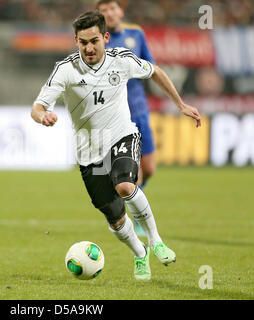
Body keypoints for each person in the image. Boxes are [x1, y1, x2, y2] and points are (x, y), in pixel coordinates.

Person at [30, 11, 201, 280]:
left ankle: (155, 239)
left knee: (125, 185)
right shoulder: (65, 70)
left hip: (122, 136)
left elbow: (155, 71)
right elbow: (37, 107)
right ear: (76, 41)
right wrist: (44, 116)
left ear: (105, 38)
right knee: (116, 219)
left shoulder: (122, 60)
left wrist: (180, 104)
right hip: (89, 153)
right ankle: (140, 253)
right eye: (83, 42)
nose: (88, 47)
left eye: (94, 41)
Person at [97, 0, 157, 237]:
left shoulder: (137, 34)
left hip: (140, 110)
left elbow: (151, 67)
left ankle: (130, 202)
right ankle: (136, 217)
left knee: (149, 168)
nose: (109, 13)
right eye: (103, 11)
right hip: (120, 117)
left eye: (112, 9)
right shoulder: (100, 40)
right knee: (134, 172)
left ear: (120, 11)